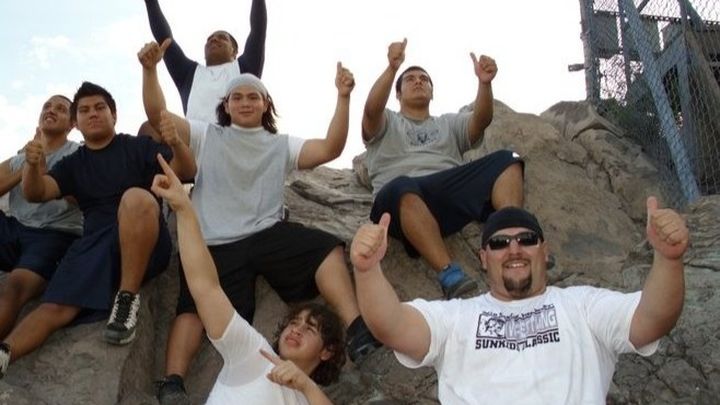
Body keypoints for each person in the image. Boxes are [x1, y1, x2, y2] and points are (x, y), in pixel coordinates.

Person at [139, 41, 380, 404]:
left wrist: (343, 97)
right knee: (194, 306)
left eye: (253, 96)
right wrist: (150, 71)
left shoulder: (280, 144)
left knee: (325, 249)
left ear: (266, 104)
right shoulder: (206, 135)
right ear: (226, 105)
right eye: (237, 97)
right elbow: (158, 115)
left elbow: (330, 147)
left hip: (267, 233)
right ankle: (173, 381)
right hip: (216, 240)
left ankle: (358, 328)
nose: (245, 102)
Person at [351, 201, 689, 404]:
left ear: (544, 251)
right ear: (484, 258)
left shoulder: (583, 306)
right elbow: (392, 326)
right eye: (499, 243)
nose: (514, 250)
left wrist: (669, 259)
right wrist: (366, 271)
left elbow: (651, 321)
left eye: (526, 239)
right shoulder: (455, 318)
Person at [0, 82, 196, 379]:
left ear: (114, 115)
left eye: (100, 107)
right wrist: (32, 166)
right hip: (95, 244)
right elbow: (37, 193)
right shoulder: (73, 164)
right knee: (55, 307)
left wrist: (177, 143)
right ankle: (5, 353)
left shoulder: (136, 146)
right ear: (76, 124)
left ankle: (126, 299)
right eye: (84, 110)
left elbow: (186, 171)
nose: (92, 114)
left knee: (136, 197)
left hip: (143, 238)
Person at [151, 153, 342, 404]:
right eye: (294, 322)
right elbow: (206, 288)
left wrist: (306, 386)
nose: (296, 329)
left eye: (310, 328)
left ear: (327, 351)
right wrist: (184, 210)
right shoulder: (253, 354)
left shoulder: (309, 399)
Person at [361, 38, 525, 299]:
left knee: (508, 159)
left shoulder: (448, 123)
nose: (418, 82)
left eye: (424, 79)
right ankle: (450, 275)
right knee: (401, 186)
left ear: (432, 92)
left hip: (446, 191)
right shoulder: (386, 121)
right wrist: (392, 68)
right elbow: (371, 110)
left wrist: (484, 84)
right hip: (400, 203)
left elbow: (481, 121)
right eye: (410, 79)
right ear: (398, 94)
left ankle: (513, 236)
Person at [0, 95, 82, 341]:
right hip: (14, 227)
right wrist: (27, 167)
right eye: (47, 106)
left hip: (53, 234)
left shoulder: (78, 154)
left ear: (73, 124)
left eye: (61, 109)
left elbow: (86, 197)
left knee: (14, 288)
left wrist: (46, 179)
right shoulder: (22, 155)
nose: (51, 110)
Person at [142, 0, 266, 124]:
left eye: (222, 38)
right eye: (209, 39)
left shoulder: (244, 68)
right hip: (193, 136)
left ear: (234, 51)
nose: (214, 39)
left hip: (233, 134)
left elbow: (258, 29)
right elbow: (165, 39)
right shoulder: (189, 74)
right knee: (148, 127)